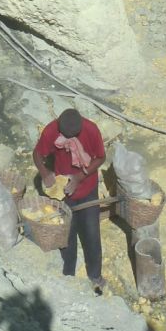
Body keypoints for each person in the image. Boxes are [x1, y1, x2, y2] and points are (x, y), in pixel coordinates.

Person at [33, 108, 107, 292]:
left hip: (87, 187)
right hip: (63, 192)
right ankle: (69, 276)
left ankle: (95, 276)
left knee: (92, 233)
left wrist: (79, 177)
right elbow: (37, 154)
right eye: (65, 135)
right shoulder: (51, 131)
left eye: (73, 135)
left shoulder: (91, 129)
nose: (68, 138)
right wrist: (45, 173)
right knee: (67, 236)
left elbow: (100, 157)